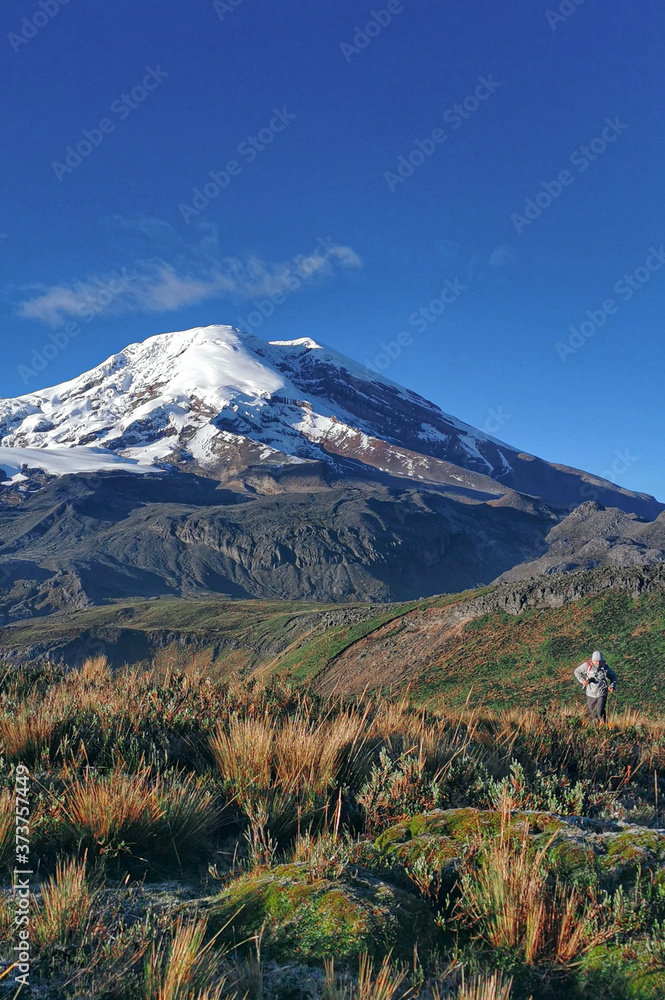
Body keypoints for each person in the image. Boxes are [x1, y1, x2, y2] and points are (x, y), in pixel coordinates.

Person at [574, 650, 617, 726]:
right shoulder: (587, 666)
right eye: (596, 661)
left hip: (602, 693)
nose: (598, 663)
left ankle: (605, 727)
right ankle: (598, 728)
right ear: (593, 660)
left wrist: (612, 686)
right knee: (593, 713)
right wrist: (582, 681)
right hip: (590, 694)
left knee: (599, 711)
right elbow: (576, 672)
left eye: (600, 661)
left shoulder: (605, 668)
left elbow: (613, 677)